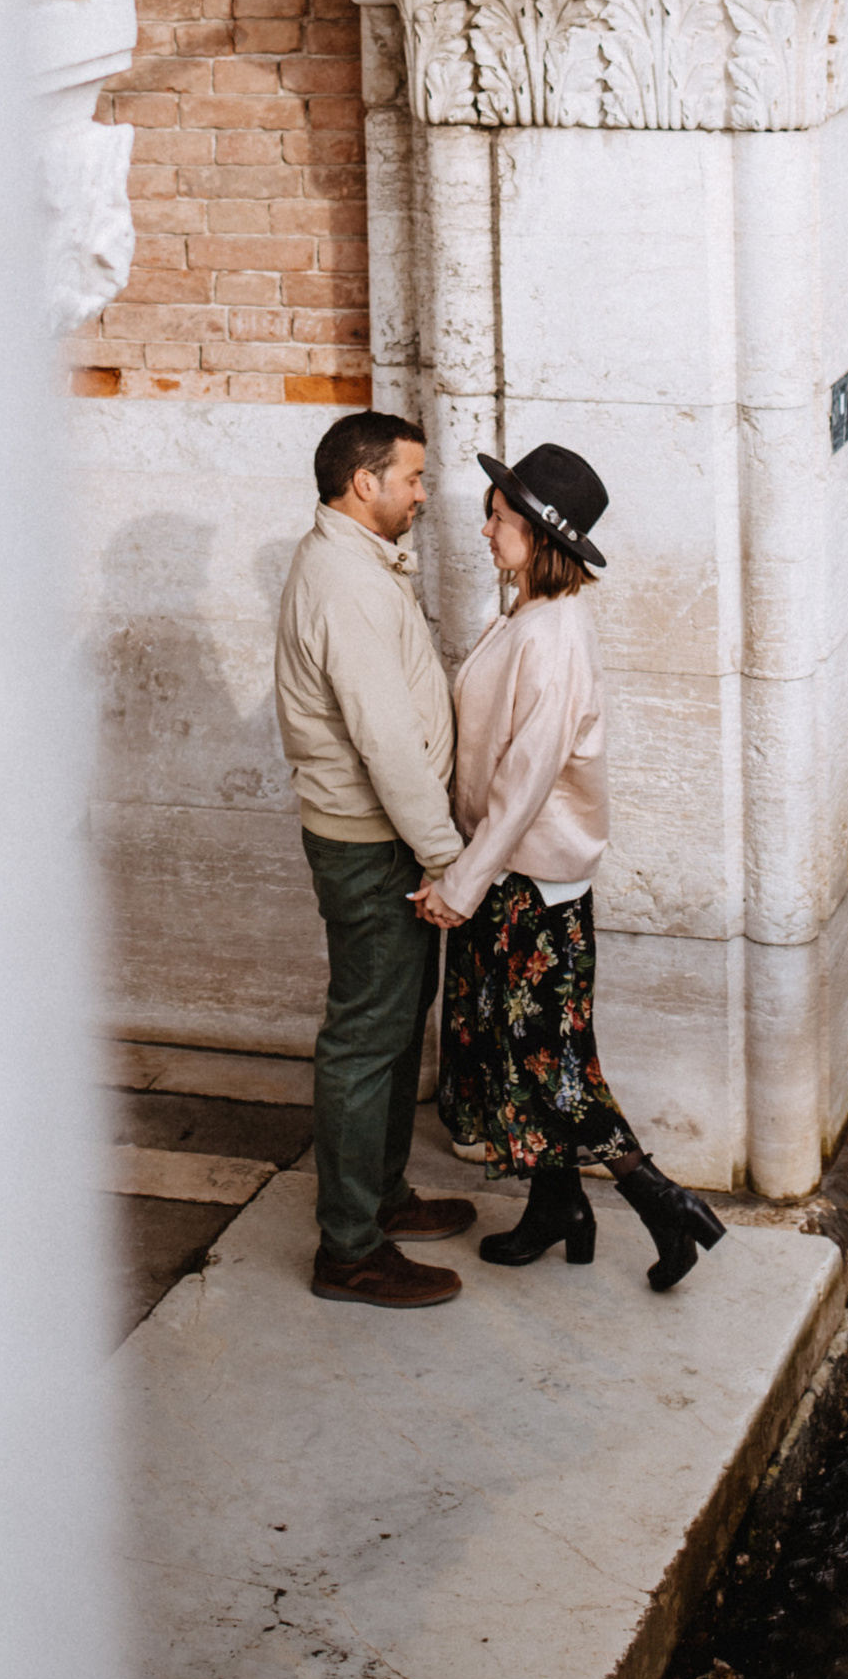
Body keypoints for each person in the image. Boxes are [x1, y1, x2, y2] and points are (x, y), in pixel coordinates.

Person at [413, 443, 724, 1291]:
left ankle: (667, 1205)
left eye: (500, 520)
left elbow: (524, 780)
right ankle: (560, 1209)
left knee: (555, 1068)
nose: (485, 531)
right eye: (490, 514)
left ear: (541, 536)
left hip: (528, 890)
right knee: (522, 1058)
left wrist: (461, 884)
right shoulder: (526, 616)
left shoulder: (551, 634)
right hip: (513, 880)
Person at [273, 410, 478, 1310]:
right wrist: (448, 858)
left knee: (396, 1022)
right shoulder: (346, 582)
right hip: (375, 845)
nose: (422, 495)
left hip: (386, 838)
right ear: (366, 483)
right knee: (365, 1036)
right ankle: (349, 1249)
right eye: (413, 479)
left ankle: (383, 1200)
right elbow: (386, 740)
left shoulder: (354, 564)